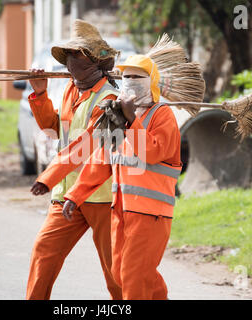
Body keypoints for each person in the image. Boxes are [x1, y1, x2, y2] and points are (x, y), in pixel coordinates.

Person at [62, 54, 183, 300]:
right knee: (121, 273)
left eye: (137, 77)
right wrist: (75, 196)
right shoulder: (118, 118)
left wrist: (131, 120)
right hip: (121, 211)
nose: (130, 81)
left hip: (151, 214)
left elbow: (152, 152)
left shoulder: (163, 115)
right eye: (126, 77)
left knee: (133, 275)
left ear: (152, 83)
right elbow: (101, 160)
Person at [25, 19, 122, 300]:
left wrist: (47, 177)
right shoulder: (70, 90)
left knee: (114, 270)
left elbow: (85, 147)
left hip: (100, 197)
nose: (71, 62)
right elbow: (54, 129)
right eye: (69, 56)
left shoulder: (109, 98)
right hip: (65, 194)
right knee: (44, 253)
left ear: (95, 62)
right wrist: (40, 93)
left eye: (77, 56)